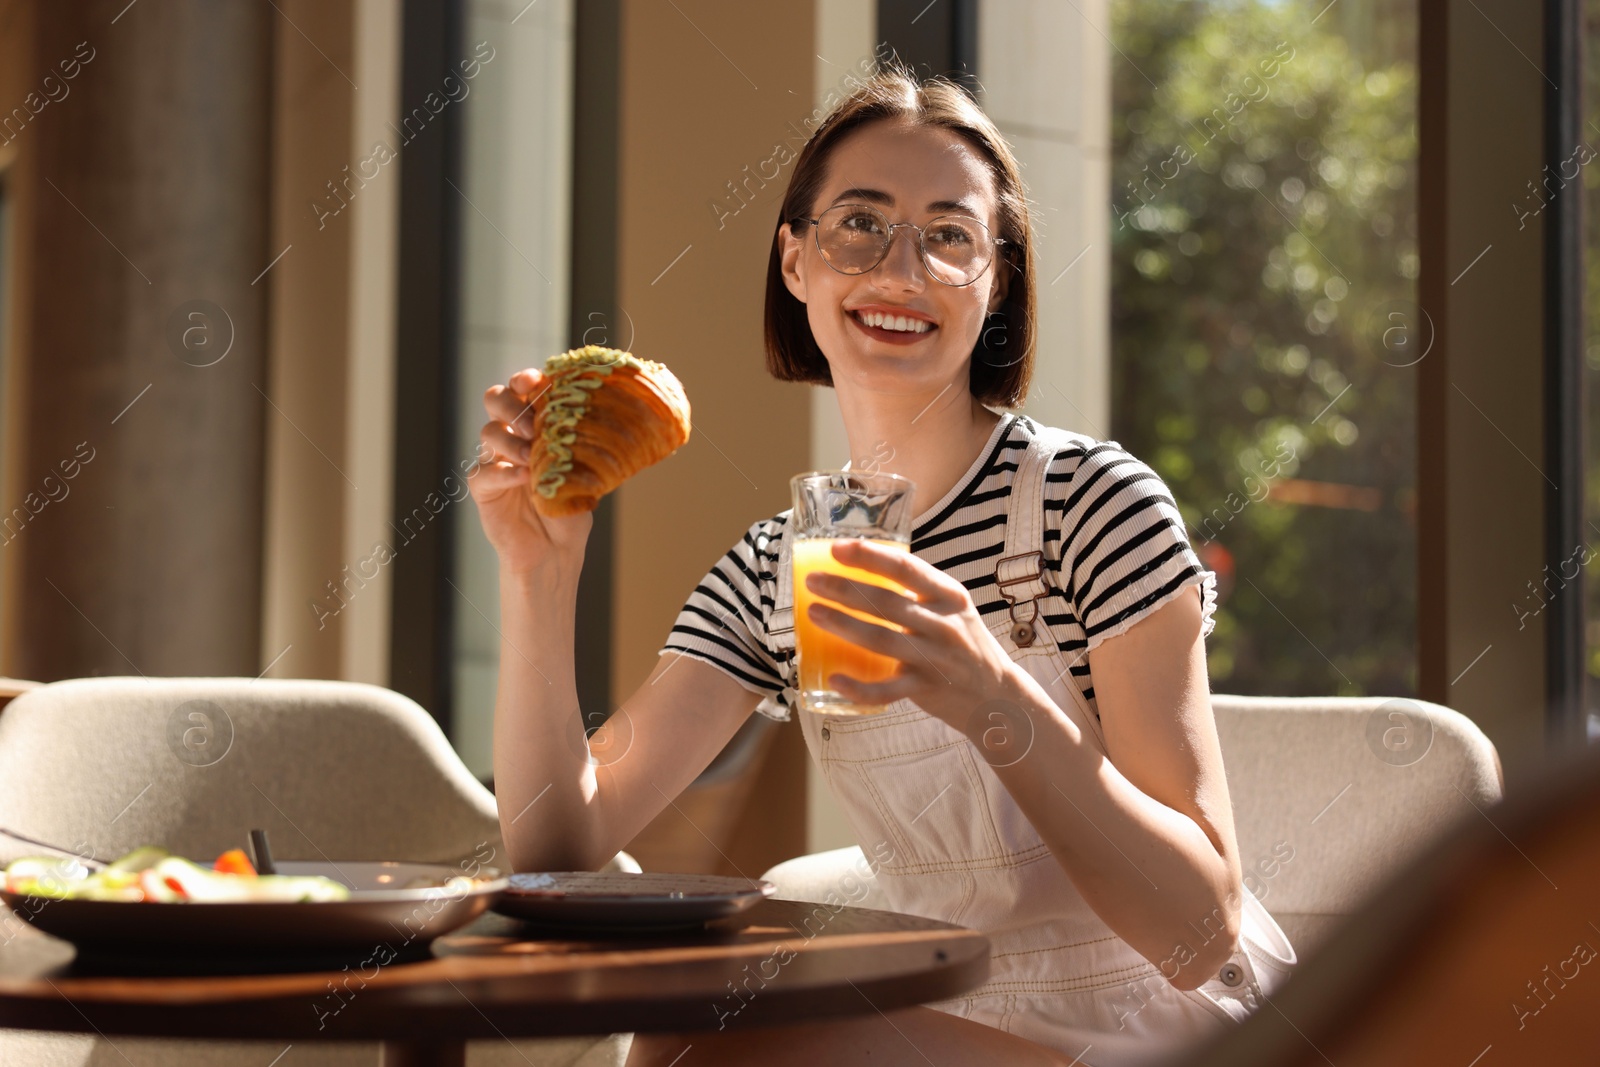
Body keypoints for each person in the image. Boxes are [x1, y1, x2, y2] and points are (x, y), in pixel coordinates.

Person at [469, 67, 1294, 1067]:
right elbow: (560, 848)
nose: (900, 270)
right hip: (960, 1015)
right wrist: (536, 571)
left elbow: (1196, 932)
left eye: (949, 235)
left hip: (1171, 1024)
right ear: (793, 260)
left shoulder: (1095, 503)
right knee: (690, 1040)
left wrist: (993, 692)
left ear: (994, 282)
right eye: (859, 223)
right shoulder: (776, 567)